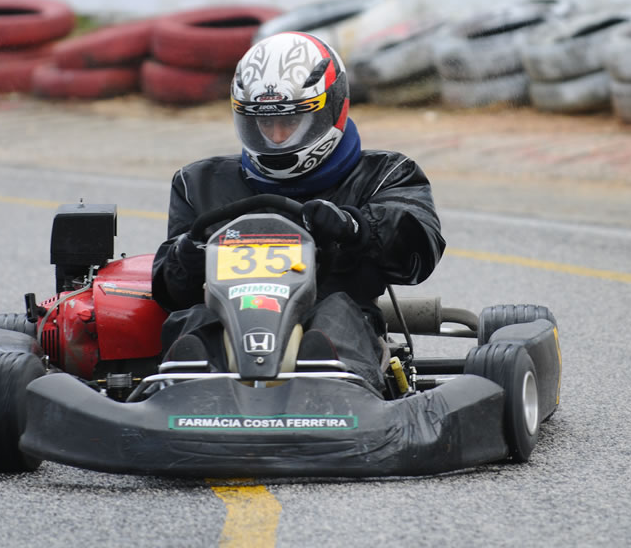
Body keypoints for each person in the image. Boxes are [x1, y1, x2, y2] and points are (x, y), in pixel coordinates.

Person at [150, 31, 446, 393]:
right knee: (194, 319)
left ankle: (335, 389)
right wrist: (189, 254)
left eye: (290, 121)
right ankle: (185, 389)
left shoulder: (385, 174)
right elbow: (170, 292)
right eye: (264, 122)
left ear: (330, 108)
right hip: (230, 321)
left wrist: (355, 226)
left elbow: (418, 250)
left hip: (336, 319)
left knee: (333, 317)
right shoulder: (198, 183)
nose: (276, 137)